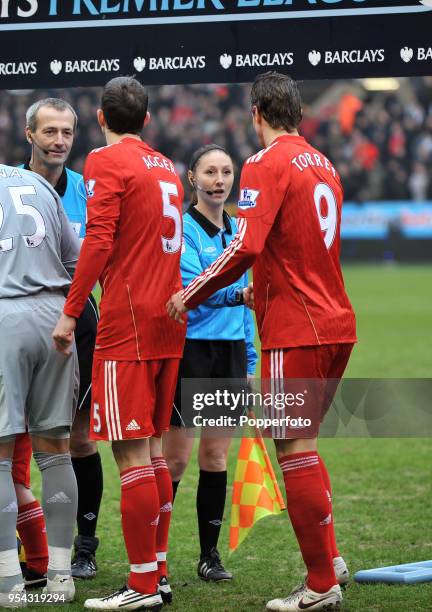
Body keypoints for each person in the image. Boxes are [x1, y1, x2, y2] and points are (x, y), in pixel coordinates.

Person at [167, 71, 357, 612]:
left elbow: (246, 245)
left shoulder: (266, 163)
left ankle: (321, 583)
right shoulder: (324, 164)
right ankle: (332, 558)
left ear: (256, 113)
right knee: (307, 445)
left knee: (292, 447)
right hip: (336, 319)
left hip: (296, 327)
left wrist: (193, 290)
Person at [53, 76, 186, 611]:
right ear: (147, 121)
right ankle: (158, 572)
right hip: (167, 319)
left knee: (131, 453)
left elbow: (100, 241)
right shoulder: (165, 166)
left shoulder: (106, 162)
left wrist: (69, 312)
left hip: (127, 322)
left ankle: (140, 586)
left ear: (102, 119)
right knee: (153, 450)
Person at [17, 97, 103, 581]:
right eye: (50, 132)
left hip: (79, 325)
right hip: (20, 323)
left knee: (79, 441)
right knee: (17, 439)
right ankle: (28, 543)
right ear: (30, 135)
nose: (59, 142)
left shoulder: (88, 193)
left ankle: (82, 545)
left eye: (67, 132)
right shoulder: (8, 184)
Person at [163, 144, 257, 583]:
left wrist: (250, 359)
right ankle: (154, 555)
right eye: (210, 173)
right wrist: (236, 294)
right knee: (176, 461)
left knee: (216, 457)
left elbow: (248, 306)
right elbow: (188, 292)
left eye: (225, 172)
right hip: (192, 352)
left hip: (230, 354)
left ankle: (209, 556)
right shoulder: (182, 228)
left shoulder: (240, 230)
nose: (219, 180)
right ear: (192, 180)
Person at [0, 163, 80, 606]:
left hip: (4, 313)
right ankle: (60, 576)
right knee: (56, 449)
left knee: (0, 459)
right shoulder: (37, 184)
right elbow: (76, 259)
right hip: (54, 317)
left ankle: (11, 583)